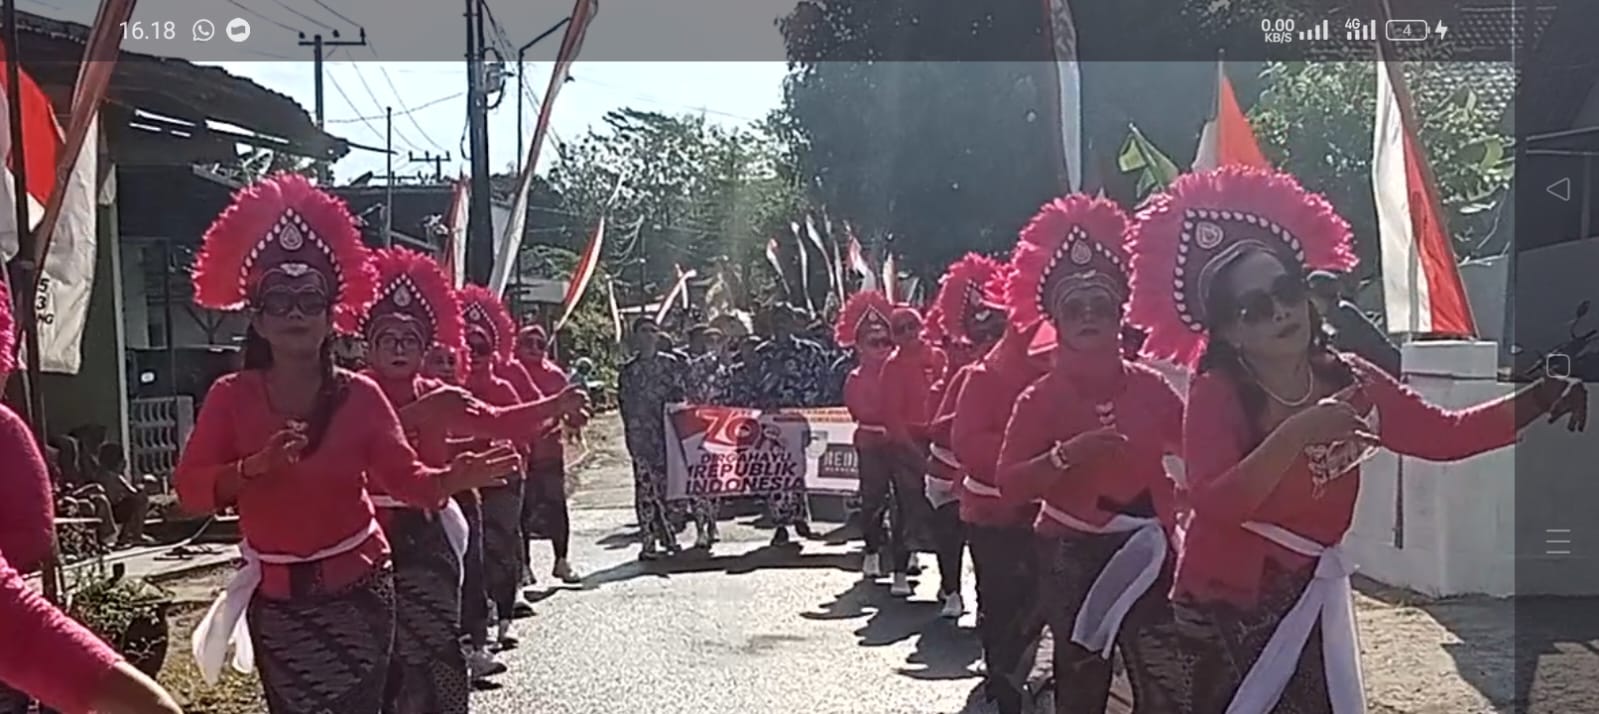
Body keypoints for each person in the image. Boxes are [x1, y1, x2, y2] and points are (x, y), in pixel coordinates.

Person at [1126, 166, 1588, 713]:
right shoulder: (1217, 392)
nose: (1279, 310)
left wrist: (1537, 399)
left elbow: (1445, 435)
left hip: (1306, 593)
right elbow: (1215, 502)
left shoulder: (1352, 381)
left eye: (1286, 290)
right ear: (1229, 333)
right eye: (1253, 307)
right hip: (1225, 601)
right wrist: (1300, 431)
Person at [175, 174, 518, 714]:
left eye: (309, 300)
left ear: (330, 317)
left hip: (359, 593)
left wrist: (453, 480)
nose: (294, 313)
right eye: (279, 300)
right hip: (280, 607)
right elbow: (191, 491)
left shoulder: (359, 396)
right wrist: (252, 468)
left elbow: (407, 480)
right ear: (258, 320)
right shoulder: (229, 397)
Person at [357, 247, 585, 710]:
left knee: (436, 640)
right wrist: (418, 417)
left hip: (429, 532)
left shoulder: (441, 393)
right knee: (378, 654)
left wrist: (554, 406)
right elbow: (344, 446)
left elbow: (500, 420)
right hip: (362, 538)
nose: (399, 348)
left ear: (425, 349)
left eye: (409, 339)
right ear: (369, 347)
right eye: (388, 339)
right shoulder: (353, 391)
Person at [994, 194, 1186, 714]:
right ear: (1056, 320)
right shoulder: (1038, 399)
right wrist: (1064, 457)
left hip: (1147, 550)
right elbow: (1009, 483)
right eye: (1074, 308)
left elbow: (1197, 447)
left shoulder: (1151, 387)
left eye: (1100, 306)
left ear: (1120, 316)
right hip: (1069, 553)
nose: (1088, 317)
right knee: (1081, 674)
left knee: (1165, 675)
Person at [953, 317, 1050, 714]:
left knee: (1042, 602)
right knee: (999, 599)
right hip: (993, 512)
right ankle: (1002, 681)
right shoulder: (983, 378)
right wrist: (1029, 460)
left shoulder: (1061, 376)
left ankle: (1028, 680)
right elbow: (968, 442)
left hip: (1047, 514)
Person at [922, 253, 1007, 618]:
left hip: (1001, 474)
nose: (989, 341)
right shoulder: (963, 372)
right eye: (982, 334)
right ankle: (952, 588)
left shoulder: (1030, 370)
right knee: (950, 534)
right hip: (949, 468)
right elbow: (939, 427)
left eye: (997, 332)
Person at [457, 285, 538, 646]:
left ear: (493, 351)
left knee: (501, 544)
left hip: (504, 480)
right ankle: (476, 624)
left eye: (481, 347)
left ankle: (505, 617)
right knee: (469, 552)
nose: (474, 355)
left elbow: (527, 422)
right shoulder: (448, 387)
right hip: (461, 481)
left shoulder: (504, 387)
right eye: (467, 346)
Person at [874, 306, 943, 595]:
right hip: (904, 445)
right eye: (900, 330)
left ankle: (948, 582)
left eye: (911, 327)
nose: (907, 334)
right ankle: (900, 572)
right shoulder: (891, 366)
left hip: (938, 440)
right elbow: (891, 414)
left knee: (944, 512)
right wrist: (913, 452)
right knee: (905, 506)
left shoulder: (937, 357)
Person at [515, 324, 587, 583]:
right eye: (528, 343)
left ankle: (562, 560)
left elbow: (572, 413)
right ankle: (523, 566)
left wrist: (577, 418)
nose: (534, 349)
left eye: (539, 344)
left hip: (549, 452)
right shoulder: (511, 373)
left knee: (557, 506)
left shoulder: (556, 376)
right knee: (521, 512)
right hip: (520, 454)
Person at [752, 304, 830, 544]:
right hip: (773, 423)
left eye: (786, 319)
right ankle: (779, 524)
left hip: (799, 420)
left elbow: (819, 381)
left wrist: (807, 406)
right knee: (776, 471)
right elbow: (756, 386)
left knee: (799, 470)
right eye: (777, 319)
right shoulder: (762, 352)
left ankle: (800, 518)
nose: (781, 324)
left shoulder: (809, 351)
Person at [617, 317, 690, 559]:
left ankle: (669, 534)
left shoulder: (670, 365)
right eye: (644, 331)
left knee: (669, 490)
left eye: (653, 331)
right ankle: (648, 541)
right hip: (641, 440)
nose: (649, 335)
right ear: (636, 336)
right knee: (646, 492)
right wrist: (632, 436)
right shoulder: (628, 371)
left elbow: (681, 398)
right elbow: (624, 407)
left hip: (667, 436)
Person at [837, 290, 896, 577]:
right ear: (860, 346)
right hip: (872, 445)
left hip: (901, 444)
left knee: (905, 501)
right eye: (875, 343)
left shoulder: (901, 370)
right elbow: (861, 411)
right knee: (873, 499)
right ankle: (871, 551)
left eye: (887, 341)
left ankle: (903, 552)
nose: (883, 348)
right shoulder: (855, 378)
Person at [1306, 269, 1402, 377]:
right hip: (1377, 370)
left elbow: (1339, 345)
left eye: (1313, 299)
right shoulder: (1333, 315)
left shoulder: (1343, 313)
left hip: (1388, 368)